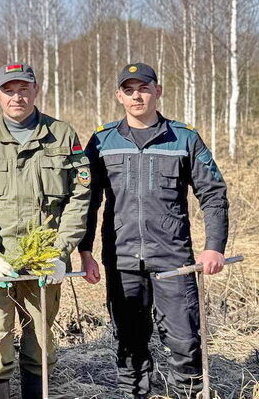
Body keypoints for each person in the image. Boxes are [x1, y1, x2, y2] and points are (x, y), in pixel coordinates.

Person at [79, 63, 229, 399]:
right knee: (128, 342)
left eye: (143, 88)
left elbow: (214, 194)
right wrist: (85, 250)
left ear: (157, 91)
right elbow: (87, 201)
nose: (137, 96)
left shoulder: (184, 138)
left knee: (185, 339)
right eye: (129, 90)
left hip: (173, 260)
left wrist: (214, 246)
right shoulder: (103, 141)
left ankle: (187, 394)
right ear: (119, 96)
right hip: (122, 259)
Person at [0, 63, 91, 399]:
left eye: (23, 89)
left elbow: (79, 198)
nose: (16, 96)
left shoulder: (61, 135)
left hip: (44, 261)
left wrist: (60, 253)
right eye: (8, 90)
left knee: (40, 343)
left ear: (35, 90)